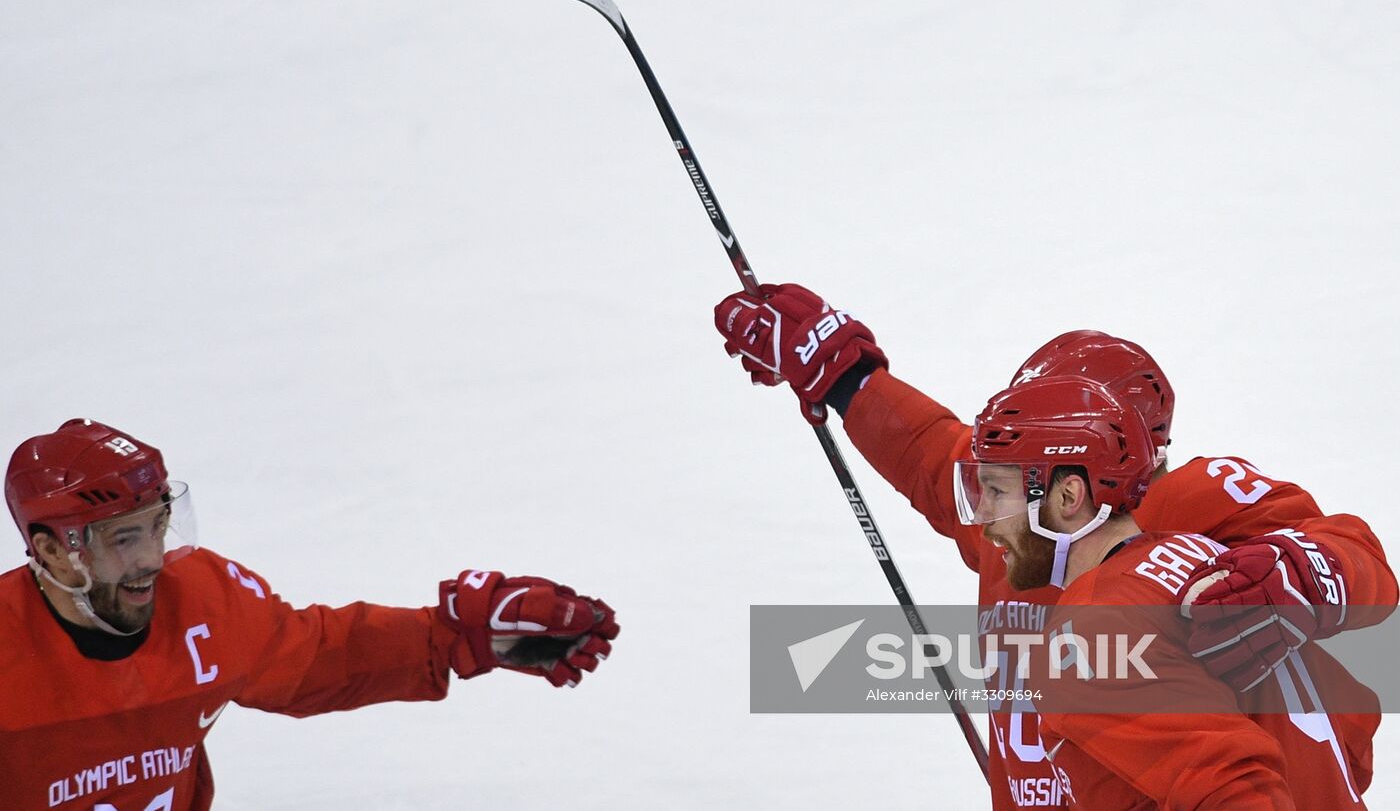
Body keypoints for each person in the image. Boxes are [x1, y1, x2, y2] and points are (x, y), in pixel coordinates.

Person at [713, 283, 1394, 808]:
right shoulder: (1022, 516)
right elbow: (929, 455)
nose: (983, 509)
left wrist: (1308, 568)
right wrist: (846, 378)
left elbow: (1353, 556)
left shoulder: (1189, 511)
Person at [0, 418, 620, 811]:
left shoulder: (204, 603)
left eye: (157, 526)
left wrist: (452, 638)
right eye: (124, 539)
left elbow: (317, 656)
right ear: (51, 550)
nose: (153, 560)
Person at [960, 375, 1368, 807]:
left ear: (1068, 496)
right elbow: (1356, 719)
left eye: (997, 491)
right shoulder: (1206, 556)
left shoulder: (1092, 633)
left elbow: (1236, 795)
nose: (983, 520)